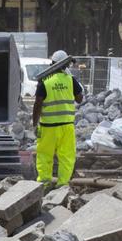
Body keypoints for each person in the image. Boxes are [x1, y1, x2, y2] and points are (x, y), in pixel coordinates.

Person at [32, 49, 85, 186]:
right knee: (67, 156)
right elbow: (79, 99)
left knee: (44, 155)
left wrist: (34, 124)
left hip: (48, 127)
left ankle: (44, 184)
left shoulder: (44, 81)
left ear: (52, 63)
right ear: (66, 65)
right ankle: (63, 185)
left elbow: (37, 104)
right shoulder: (70, 80)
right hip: (67, 126)